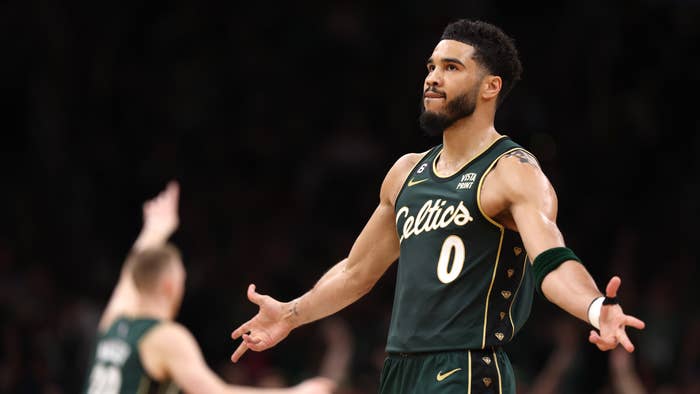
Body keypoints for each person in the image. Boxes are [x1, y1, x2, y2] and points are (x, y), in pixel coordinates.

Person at [230, 19, 645, 394]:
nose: (432, 78)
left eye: (451, 67)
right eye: (431, 67)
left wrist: (595, 308)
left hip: (467, 368)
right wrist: (291, 313)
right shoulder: (406, 172)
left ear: (490, 86)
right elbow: (356, 272)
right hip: (399, 370)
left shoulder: (511, 170)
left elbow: (551, 262)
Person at [84, 182, 336, 394]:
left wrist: (152, 233)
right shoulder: (165, 337)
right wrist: (297, 393)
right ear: (170, 285)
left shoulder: (114, 324)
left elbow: (128, 281)